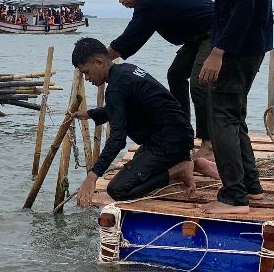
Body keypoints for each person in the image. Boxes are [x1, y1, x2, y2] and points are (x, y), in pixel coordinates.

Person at [187, 0, 273, 215]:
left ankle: (234, 196)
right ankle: (252, 187)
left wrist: (218, 50)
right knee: (234, 116)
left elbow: (243, 6)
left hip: (237, 48)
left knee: (219, 115)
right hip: (253, 44)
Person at [71, 37, 196, 208]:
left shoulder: (115, 88)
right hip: (178, 135)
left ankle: (179, 169)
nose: (87, 78)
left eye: (86, 72)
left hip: (168, 142)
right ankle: (185, 162)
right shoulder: (126, 71)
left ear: (99, 62)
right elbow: (122, 108)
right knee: (138, 164)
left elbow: (118, 139)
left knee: (118, 190)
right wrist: (90, 114)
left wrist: (92, 176)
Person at [107, 0, 216, 160]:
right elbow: (135, 36)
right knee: (175, 75)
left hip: (214, 33)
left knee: (200, 83)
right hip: (196, 38)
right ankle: (183, 135)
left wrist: (99, 60)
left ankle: (208, 144)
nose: (121, 1)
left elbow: (129, 39)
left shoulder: (151, 1)